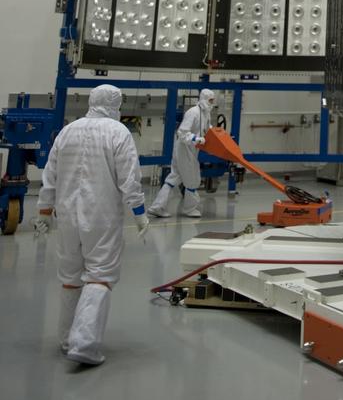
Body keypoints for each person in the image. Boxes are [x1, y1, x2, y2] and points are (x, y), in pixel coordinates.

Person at [35, 83, 149, 366]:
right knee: (100, 275)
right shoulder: (118, 132)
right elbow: (130, 179)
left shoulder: (68, 131)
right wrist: (140, 214)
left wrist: (44, 212)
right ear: (115, 104)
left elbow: (50, 174)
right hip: (102, 216)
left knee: (71, 277)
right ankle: (84, 343)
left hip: (67, 216)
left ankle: (66, 340)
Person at [149, 88, 216, 218]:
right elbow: (182, 132)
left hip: (190, 149)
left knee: (174, 178)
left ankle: (157, 207)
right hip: (185, 149)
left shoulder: (206, 113)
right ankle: (189, 208)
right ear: (204, 99)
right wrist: (196, 139)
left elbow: (207, 128)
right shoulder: (193, 112)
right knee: (193, 179)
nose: (211, 103)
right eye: (210, 100)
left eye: (213, 100)